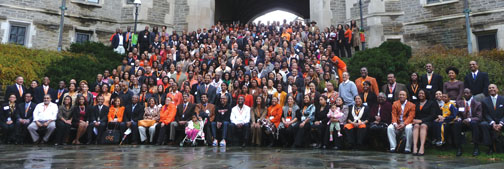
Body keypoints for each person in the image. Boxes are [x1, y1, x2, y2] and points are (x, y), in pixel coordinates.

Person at [454, 88, 483, 156]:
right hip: (463, 121)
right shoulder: (459, 103)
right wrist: (458, 118)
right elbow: (458, 114)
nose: (466, 94)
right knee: (456, 124)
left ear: (471, 94)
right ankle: (459, 147)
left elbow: (479, 117)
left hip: (472, 121)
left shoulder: (477, 104)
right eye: (464, 93)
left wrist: (469, 119)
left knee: (474, 124)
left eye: (467, 93)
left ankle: (476, 147)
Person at [479, 84, 503, 155]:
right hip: (490, 121)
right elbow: (485, 114)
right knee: (483, 125)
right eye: (489, 88)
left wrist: (501, 123)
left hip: (502, 120)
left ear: (497, 89)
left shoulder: (503, 99)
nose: (491, 89)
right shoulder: (484, 101)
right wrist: (492, 123)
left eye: (493, 87)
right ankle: (490, 147)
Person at [412, 90, 437, 156]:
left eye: (422, 93)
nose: (421, 95)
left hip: (428, 122)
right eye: (419, 93)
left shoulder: (431, 103)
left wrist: (421, 121)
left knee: (423, 126)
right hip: (417, 121)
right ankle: (415, 147)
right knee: (416, 126)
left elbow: (433, 115)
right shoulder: (415, 103)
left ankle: (422, 147)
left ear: (426, 94)